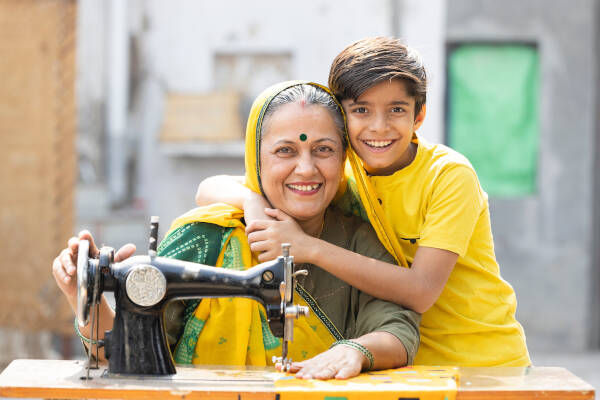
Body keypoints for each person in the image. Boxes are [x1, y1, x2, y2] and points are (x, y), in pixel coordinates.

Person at [194, 37, 531, 367]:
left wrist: (306, 247)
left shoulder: (449, 176)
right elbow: (209, 187)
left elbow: (421, 291)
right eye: (361, 110)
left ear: (419, 115)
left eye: (396, 110)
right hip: (411, 364)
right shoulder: (344, 173)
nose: (378, 127)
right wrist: (254, 205)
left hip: (487, 362)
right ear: (342, 118)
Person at [52, 81, 420, 380]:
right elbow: (123, 354)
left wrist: (356, 349)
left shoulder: (358, 240)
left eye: (323, 150)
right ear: (255, 160)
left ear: (343, 159)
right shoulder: (205, 237)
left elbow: (400, 332)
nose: (306, 169)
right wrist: (83, 298)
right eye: (285, 151)